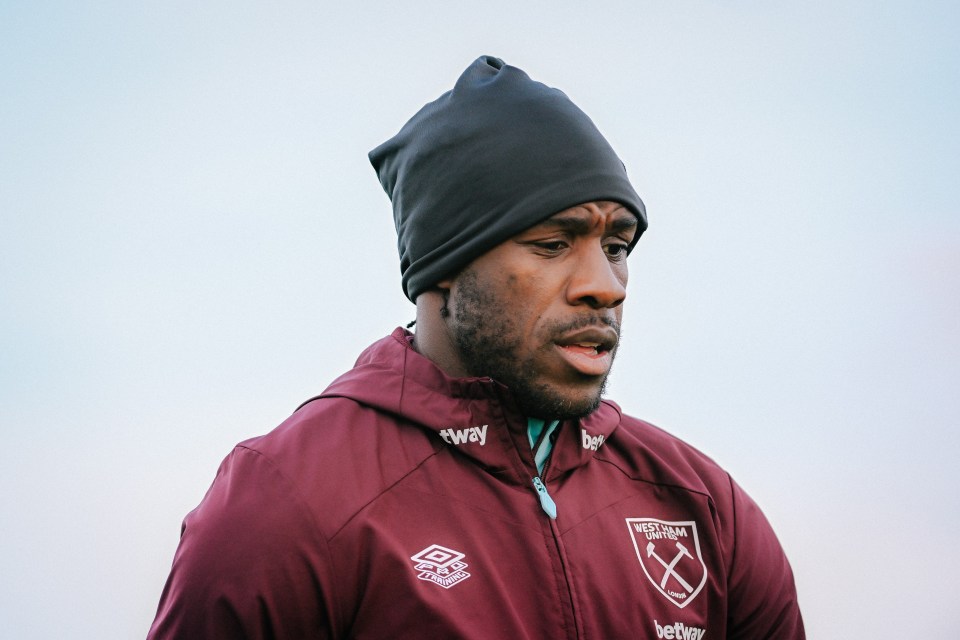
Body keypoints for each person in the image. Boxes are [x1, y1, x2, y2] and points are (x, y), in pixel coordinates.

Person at [148, 55, 804, 639]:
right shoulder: (291, 498)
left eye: (617, 246)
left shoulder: (704, 507)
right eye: (553, 244)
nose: (605, 287)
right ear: (444, 265)